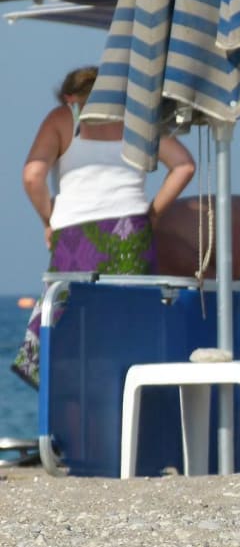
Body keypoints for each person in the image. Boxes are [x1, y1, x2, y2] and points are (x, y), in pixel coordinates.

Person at [12, 65, 196, 388]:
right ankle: (127, 406)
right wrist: (152, 214)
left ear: (69, 97)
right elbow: (184, 165)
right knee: (128, 333)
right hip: (131, 236)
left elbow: (32, 176)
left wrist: (48, 219)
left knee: (66, 333)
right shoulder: (137, 120)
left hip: (75, 236)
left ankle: (71, 409)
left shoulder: (64, 117)